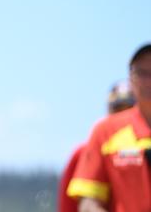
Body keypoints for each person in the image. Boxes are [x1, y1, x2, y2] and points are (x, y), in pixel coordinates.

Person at [67, 44, 151, 212]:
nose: (149, 80)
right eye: (142, 73)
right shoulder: (105, 132)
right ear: (131, 78)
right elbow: (87, 202)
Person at [58, 80, 135, 212]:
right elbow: (70, 204)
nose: (122, 115)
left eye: (128, 109)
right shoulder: (83, 152)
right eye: (117, 108)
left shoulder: (143, 146)